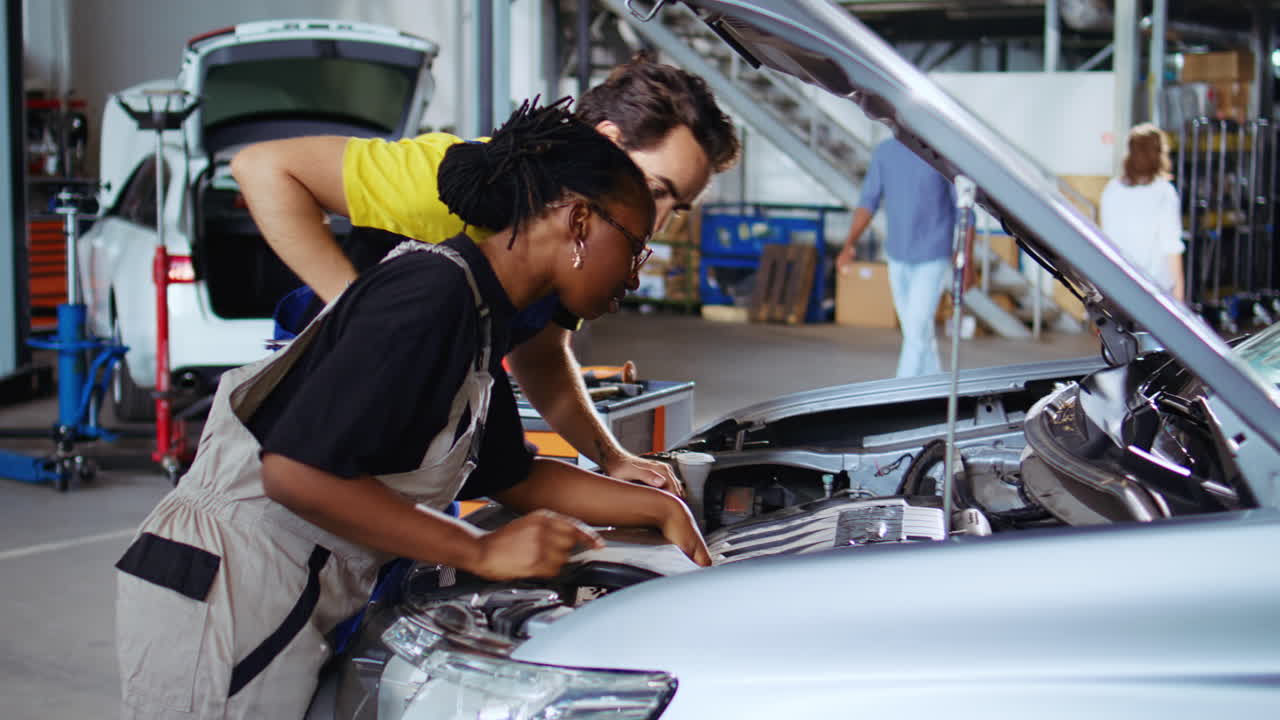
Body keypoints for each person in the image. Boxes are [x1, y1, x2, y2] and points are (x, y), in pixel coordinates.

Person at [115, 100, 711, 720]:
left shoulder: (482, 315)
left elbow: (513, 475)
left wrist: (659, 506)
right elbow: (293, 472)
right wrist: (480, 550)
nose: (637, 276)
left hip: (288, 589)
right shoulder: (433, 294)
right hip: (225, 589)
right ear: (580, 222)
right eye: (638, 247)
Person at [231, 55, 740, 494]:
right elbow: (263, 166)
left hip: (429, 430)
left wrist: (612, 458)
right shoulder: (451, 181)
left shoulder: (575, 246)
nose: (656, 225)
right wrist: (357, 311)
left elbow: (540, 359)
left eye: (678, 207)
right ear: (607, 143)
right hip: (326, 408)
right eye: (655, 191)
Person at [836, 137, 973, 378]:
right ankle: (934, 385)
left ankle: (900, 391)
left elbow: (964, 211)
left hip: (933, 254)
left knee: (916, 328)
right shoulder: (885, 152)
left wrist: (967, 260)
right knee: (916, 330)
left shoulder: (941, 155)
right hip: (897, 254)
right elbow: (868, 201)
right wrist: (849, 244)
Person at [1099, 123, 1185, 302]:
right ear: (1159, 153)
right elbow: (1171, 245)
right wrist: (1180, 294)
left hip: (1118, 284)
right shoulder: (1164, 192)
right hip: (1156, 288)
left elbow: (1107, 239)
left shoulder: (1112, 189)